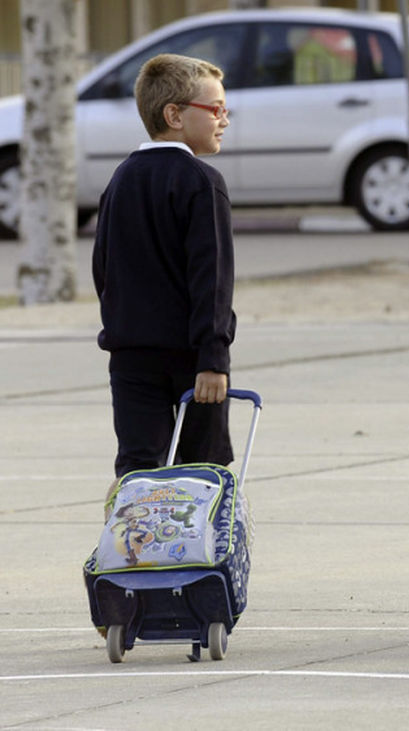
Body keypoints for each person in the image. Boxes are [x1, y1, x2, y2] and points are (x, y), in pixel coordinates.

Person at [92, 53, 236, 495]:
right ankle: (194, 559)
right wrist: (213, 358)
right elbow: (211, 279)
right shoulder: (201, 181)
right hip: (191, 361)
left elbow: (104, 269)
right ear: (174, 115)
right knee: (201, 471)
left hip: (130, 358)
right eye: (215, 109)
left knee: (137, 470)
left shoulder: (120, 179)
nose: (224, 119)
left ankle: (131, 554)